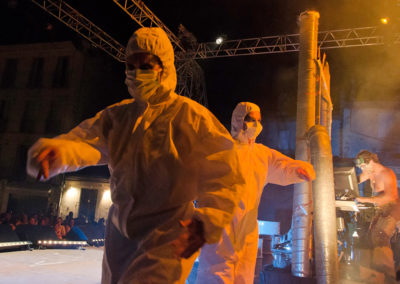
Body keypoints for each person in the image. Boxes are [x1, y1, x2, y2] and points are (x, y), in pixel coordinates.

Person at [26, 27, 243, 284]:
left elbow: (226, 174)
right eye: (131, 64)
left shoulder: (191, 118)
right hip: (119, 232)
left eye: (145, 65)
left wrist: (206, 222)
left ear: (164, 67)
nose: (137, 72)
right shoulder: (118, 117)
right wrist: (56, 153)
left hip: (168, 233)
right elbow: (85, 142)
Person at [195, 102, 316, 284]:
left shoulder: (260, 154)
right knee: (216, 275)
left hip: (247, 227)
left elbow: (282, 166)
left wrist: (299, 171)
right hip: (219, 227)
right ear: (239, 121)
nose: (256, 125)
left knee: (243, 276)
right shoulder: (219, 149)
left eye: (259, 120)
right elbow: (195, 176)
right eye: (252, 120)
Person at [354, 150, 400, 282]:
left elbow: (390, 197)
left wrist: (364, 200)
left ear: (371, 162)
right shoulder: (370, 172)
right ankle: (374, 276)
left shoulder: (386, 173)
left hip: (392, 208)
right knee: (370, 237)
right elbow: (355, 180)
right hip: (380, 209)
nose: (363, 170)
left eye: (363, 166)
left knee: (380, 236)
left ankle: (388, 277)